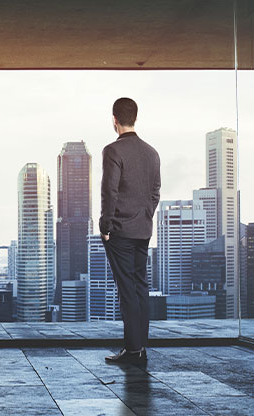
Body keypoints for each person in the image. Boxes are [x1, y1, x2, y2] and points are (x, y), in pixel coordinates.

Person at [99, 97, 161, 366]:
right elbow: (155, 192)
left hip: (121, 231)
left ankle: (133, 350)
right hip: (143, 230)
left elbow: (109, 191)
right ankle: (139, 347)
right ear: (135, 118)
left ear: (114, 119)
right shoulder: (152, 152)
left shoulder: (113, 151)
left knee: (127, 291)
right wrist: (145, 215)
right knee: (140, 289)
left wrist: (106, 225)